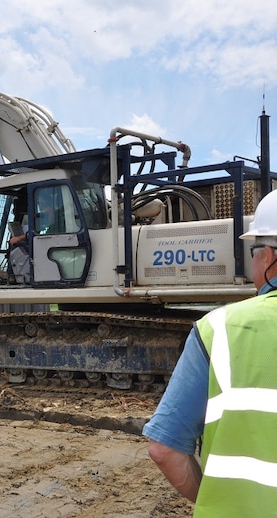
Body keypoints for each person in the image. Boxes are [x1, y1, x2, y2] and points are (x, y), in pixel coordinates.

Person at [142, 188, 277, 515]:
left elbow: (163, 449)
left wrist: (212, 494)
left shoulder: (219, 329)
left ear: (270, 256)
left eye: (255, 249)